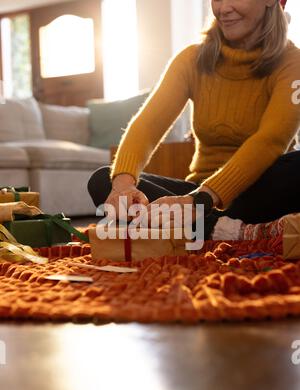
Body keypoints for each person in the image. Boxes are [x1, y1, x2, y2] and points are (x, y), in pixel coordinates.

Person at [88, 0, 300, 239]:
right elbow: (147, 126)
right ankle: (224, 229)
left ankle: (194, 228)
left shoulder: (293, 62)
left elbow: (271, 140)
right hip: (198, 194)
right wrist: (123, 186)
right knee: (103, 180)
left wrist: (201, 201)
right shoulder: (190, 58)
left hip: (255, 194)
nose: (224, 8)